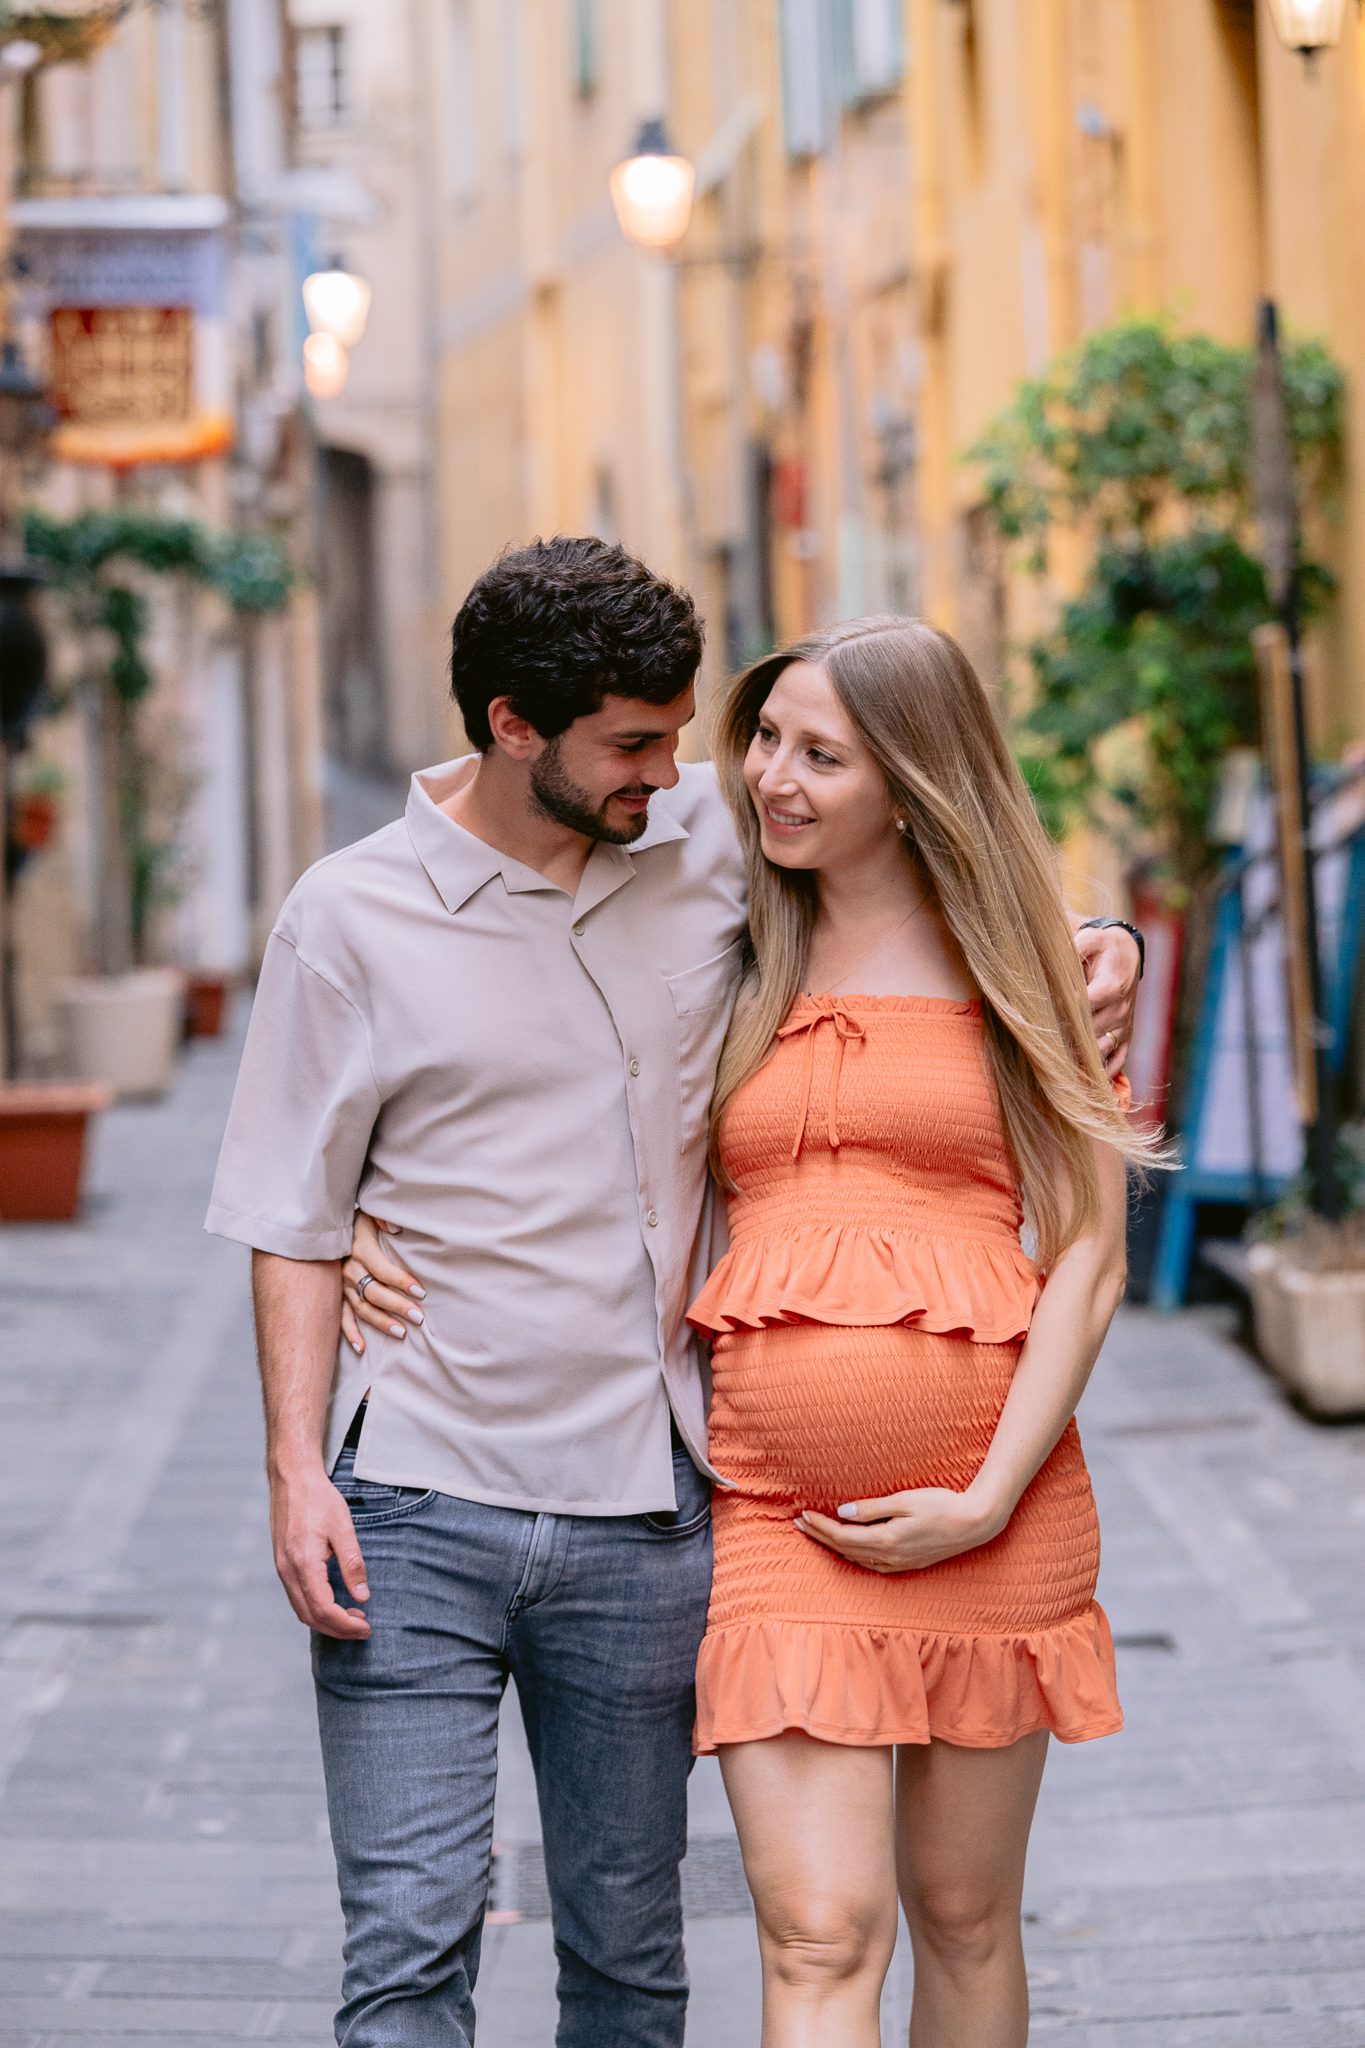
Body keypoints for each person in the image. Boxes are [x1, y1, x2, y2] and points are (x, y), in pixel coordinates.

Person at [211, 538, 1142, 2048]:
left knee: (813, 1941)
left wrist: (1107, 937)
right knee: (718, 1935)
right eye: (682, 745)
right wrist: (312, 1394)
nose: (728, 773)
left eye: (771, 747)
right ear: (518, 726)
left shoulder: (716, 843)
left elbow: (958, 871)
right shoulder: (424, 907)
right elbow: (293, 1200)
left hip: (802, 1506)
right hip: (592, 1499)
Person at [686, 618, 1160, 2047]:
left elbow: (1086, 1257)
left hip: (997, 1521)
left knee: (961, 1918)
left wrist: (987, 1496)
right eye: (766, 740)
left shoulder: (1029, 967)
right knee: (817, 1930)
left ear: (912, 783)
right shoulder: (719, 926)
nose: (772, 777)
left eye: (820, 756)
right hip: (780, 1519)